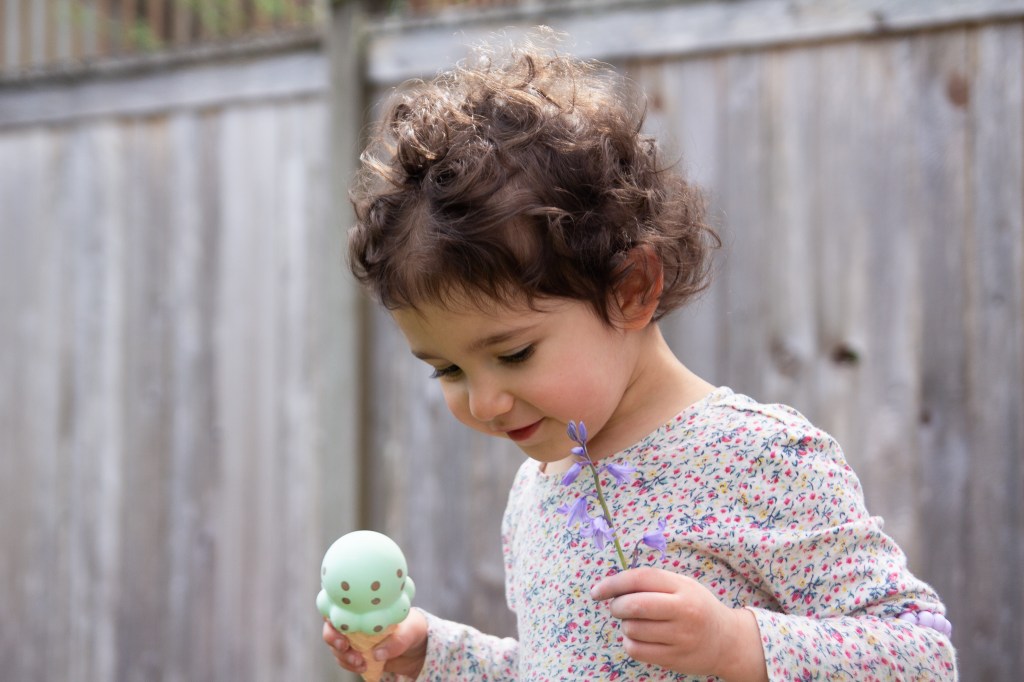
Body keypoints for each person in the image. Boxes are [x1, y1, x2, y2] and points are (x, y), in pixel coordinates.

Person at [323, 30, 957, 681]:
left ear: (631, 289)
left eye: (514, 353)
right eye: (448, 369)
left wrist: (735, 642)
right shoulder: (540, 488)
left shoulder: (756, 459)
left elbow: (922, 658)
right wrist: (437, 655)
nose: (483, 402)